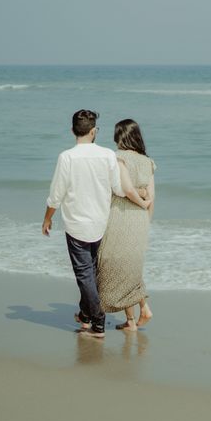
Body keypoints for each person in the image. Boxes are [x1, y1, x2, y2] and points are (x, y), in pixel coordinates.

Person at [42, 109, 151, 338]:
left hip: (76, 226)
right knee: (90, 271)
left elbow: (56, 194)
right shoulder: (107, 155)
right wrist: (141, 194)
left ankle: (97, 321)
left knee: (84, 274)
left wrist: (48, 217)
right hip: (101, 223)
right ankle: (86, 314)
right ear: (94, 131)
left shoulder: (67, 157)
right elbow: (119, 189)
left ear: (73, 131)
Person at [97, 118, 156, 331]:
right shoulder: (147, 161)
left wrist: (139, 199)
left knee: (110, 264)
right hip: (140, 220)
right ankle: (131, 320)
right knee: (129, 267)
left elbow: (127, 189)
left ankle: (143, 309)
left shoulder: (118, 157)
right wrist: (146, 222)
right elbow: (152, 196)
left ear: (119, 136)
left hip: (121, 217)